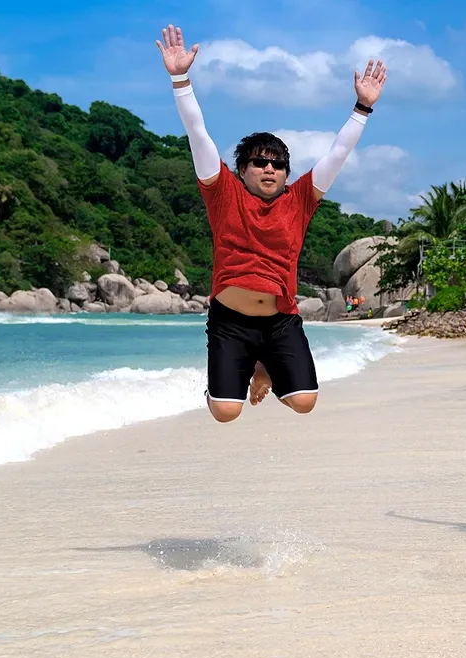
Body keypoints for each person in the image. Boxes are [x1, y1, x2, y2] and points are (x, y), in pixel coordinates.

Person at [156, 24, 387, 423]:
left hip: (280, 321)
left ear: (286, 172)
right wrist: (181, 79)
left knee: (304, 402)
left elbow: (337, 153)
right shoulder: (223, 192)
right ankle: (227, 379)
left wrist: (362, 108)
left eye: (278, 164)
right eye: (260, 162)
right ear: (241, 169)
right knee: (226, 412)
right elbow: (198, 133)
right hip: (230, 321)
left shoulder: (299, 201)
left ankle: (263, 365)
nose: (269, 168)